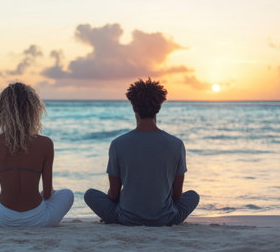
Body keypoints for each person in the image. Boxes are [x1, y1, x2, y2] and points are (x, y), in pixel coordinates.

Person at [84, 78, 199, 226]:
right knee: (193, 196)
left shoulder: (118, 144)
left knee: (90, 195)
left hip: (126, 219)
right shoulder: (176, 144)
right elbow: (177, 195)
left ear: (133, 107)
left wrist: (110, 210)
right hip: (165, 219)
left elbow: (113, 194)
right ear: (159, 107)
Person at [0, 82, 74, 227]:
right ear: (33, 111)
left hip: (2, 220)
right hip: (39, 220)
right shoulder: (46, 143)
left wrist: (4, 200)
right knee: (67, 194)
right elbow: (48, 193)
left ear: (2, 112)